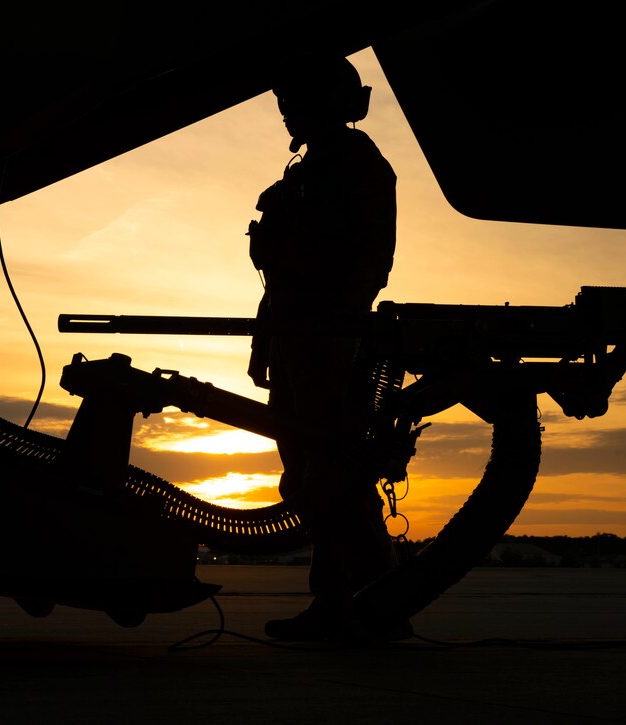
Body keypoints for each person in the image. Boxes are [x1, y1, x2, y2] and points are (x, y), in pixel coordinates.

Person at [246, 54, 403, 642]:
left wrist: (328, 335)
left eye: (294, 103)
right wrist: (271, 342)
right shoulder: (309, 169)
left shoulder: (357, 166)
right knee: (307, 474)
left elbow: (366, 265)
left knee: (330, 475)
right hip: (295, 335)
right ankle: (345, 604)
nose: (286, 114)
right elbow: (281, 274)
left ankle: (372, 604)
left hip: (327, 341)